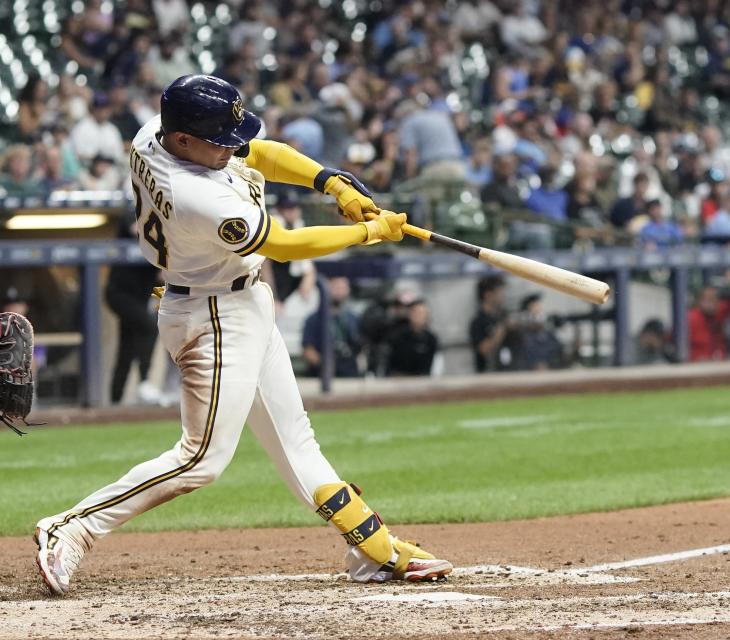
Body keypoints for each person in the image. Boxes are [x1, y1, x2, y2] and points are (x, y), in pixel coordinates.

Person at [34, 75, 451, 596]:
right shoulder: (197, 196)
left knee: (296, 439)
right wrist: (370, 231)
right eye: (219, 140)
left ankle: (373, 551)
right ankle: (70, 527)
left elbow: (260, 152)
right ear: (183, 139)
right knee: (201, 458)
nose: (231, 146)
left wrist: (330, 182)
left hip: (242, 300)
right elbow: (285, 244)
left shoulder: (156, 133)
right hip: (211, 314)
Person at [104, 211, 161, 405]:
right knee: (150, 326)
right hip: (118, 294)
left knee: (126, 349)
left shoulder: (160, 240)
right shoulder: (133, 211)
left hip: (139, 298)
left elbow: (163, 274)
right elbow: (134, 228)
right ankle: (144, 381)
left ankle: (115, 400)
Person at [301, 277, 362, 379]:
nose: (339, 292)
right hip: (322, 371)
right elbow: (308, 350)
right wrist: (324, 364)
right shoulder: (314, 319)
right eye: (336, 287)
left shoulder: (353, 318)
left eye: (343, 287)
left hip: (349, 370)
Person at [509, 293, 563, 371]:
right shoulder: (521, 336)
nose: (539, 312)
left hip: (551, 372)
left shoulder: (548, 334)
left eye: (539, 307)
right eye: (534, 308)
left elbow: (557, 353)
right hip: (528, 374)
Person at [386, 299, 438, 376]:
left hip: (423, 380)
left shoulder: (431, 339)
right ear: (410, 314)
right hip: (400, 379)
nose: (419, 316)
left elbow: (433, 364)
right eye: (416, 312)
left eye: (422, 313)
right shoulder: (398, 336)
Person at [470, 275, 508, 373]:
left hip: (506, 372)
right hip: (488, 376)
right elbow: (483, 350)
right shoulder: (477, 322)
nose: (502, 295)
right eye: (499, 292)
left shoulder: (501, 316)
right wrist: (500, 332)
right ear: (488, 295)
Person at [687, 287, 730, 362]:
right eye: (708, 299)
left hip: (719, 366)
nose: (712, 303)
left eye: (715, 299)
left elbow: (729, 303)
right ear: (699, 301)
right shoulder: (691, 318)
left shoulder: (719, 314)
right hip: (695, 368)